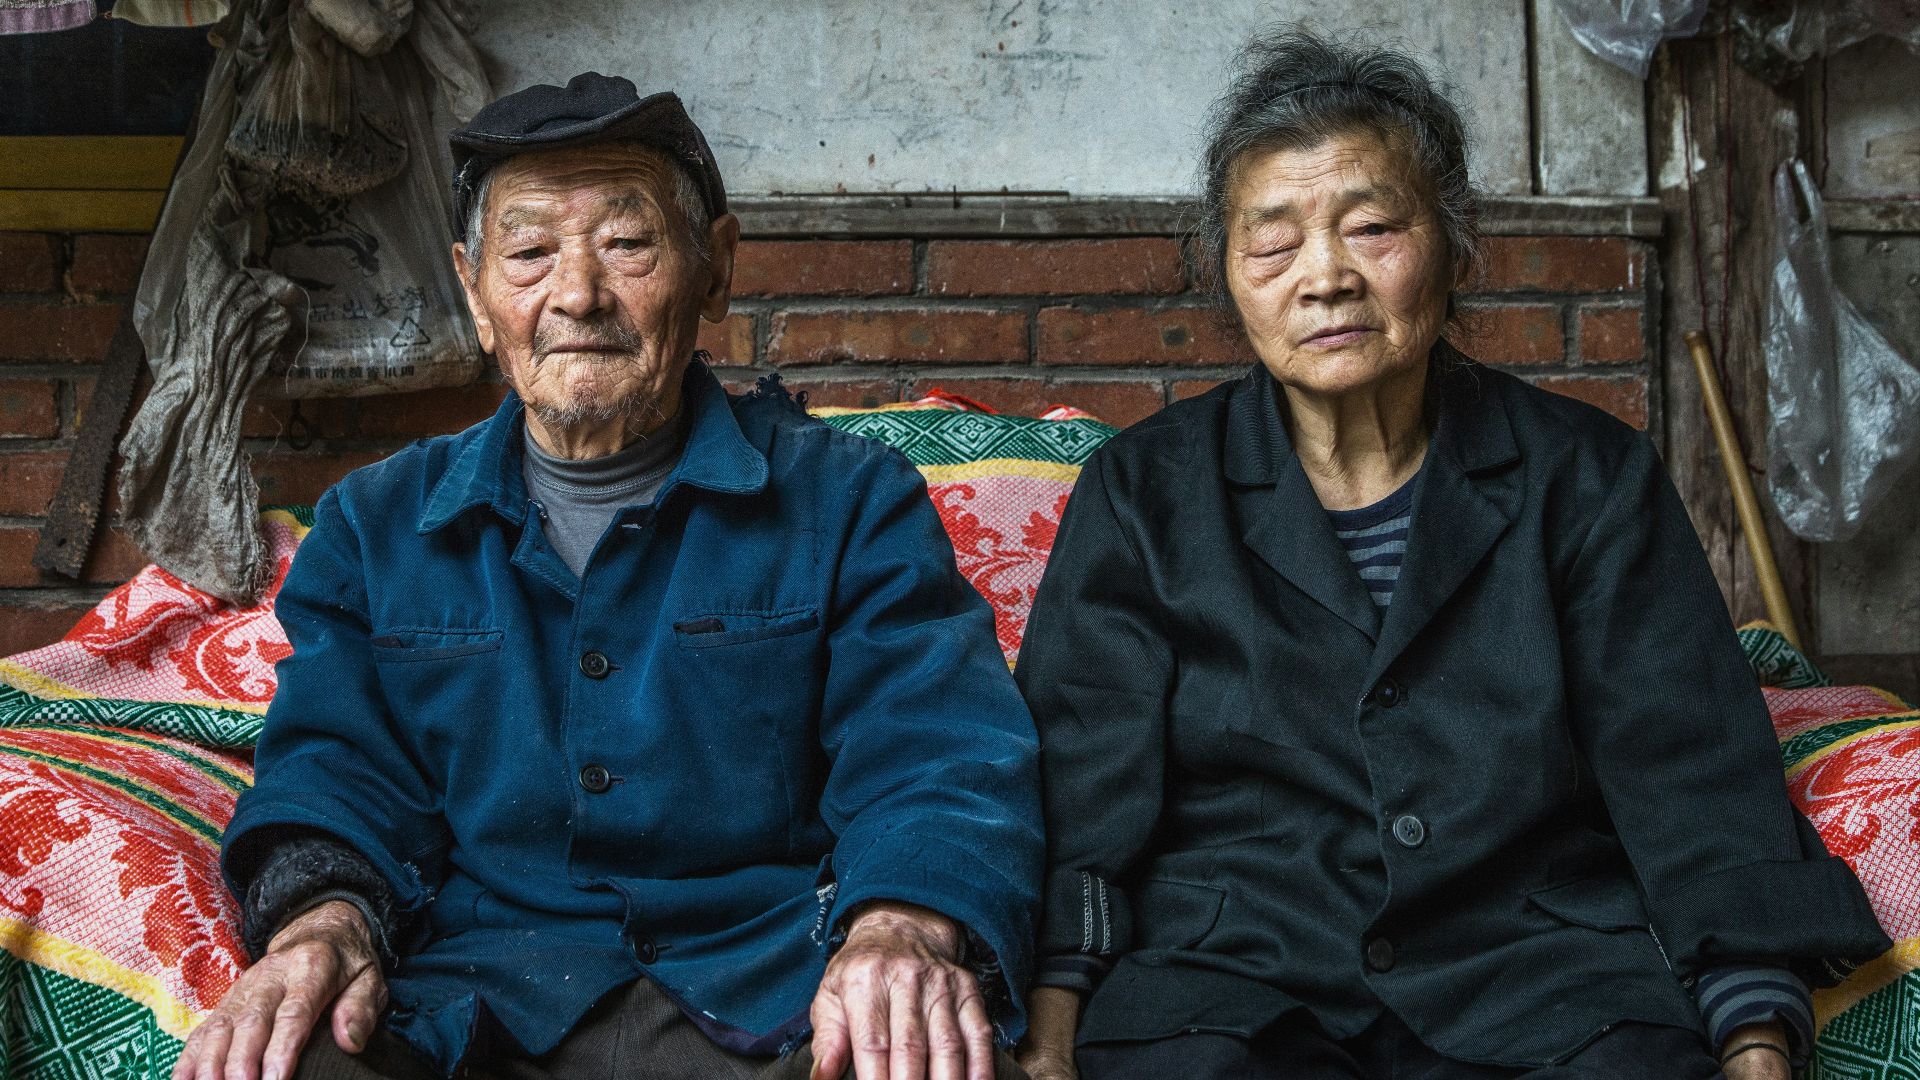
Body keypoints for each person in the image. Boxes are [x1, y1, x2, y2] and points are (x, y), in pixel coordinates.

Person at [1011, 29, 1888, 1080]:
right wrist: (1052, 1040)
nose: (1326, 277)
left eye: (1374, 226)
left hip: (1544, 975)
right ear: (1229, 280)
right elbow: (1080, 787)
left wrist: (1752, 1037)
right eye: (1274, 243)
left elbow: (1688, 765)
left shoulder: (1588, 479)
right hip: (1234, 983)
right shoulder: (1146, 494)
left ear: (1454, 243)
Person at [176, 74, 1040, 1080]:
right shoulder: (379, 524)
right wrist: (323, 930)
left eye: (627, 246)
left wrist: (899, 928)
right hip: (477, 1000)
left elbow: (932, 748)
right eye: (531, 253)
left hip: (779, 995)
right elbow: (335, 771)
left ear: (714, 268)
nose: (577, 295)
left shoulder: (848, 500)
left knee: (938, 1055)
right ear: (473, 290)